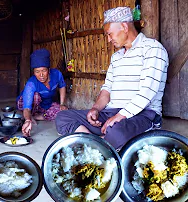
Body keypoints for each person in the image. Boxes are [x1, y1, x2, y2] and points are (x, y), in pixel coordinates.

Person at [55, 7, 169, 149]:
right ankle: (100, 143)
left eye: (109, 34)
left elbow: (147, 92)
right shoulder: (116, 57)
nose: (109, 40)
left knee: (116, 132)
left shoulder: (153, 49)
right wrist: (96, 109)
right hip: (111, 113)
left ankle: (96, 142)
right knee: (63, 117)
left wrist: (119, 116)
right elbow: (107, 89)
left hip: (142, 115)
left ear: (124, 26)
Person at [17, 48, 68, 136]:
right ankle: (30, 116)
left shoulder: (57, 74)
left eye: (44, 71)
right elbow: (27, 107)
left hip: (45, 103)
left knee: (63, 113)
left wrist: (62, 104)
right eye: (37, 72)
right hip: (27, 102)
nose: (41, 75)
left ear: (48, 69)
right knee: (36, 96)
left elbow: (62, 86)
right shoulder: (31, 83)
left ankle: (37, 117)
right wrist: (27, 121)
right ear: (34, 72)